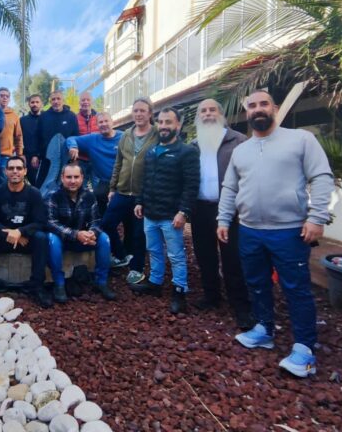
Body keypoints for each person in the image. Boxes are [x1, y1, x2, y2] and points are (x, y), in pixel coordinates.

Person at [217, 90, 334, 377]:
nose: (258, 109)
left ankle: (304, 349)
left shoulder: (300, 139)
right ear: (247, 112)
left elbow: (321, 176)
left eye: (263, 104)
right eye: (252, 106)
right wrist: (223, 219)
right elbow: (230, 187)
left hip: (289, 231)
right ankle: (264, 329)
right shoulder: (241, 150)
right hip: (249, 230)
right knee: (256, 283)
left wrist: (317, 217)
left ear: (275, 108)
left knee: (297, 289)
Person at [190, 98, 253, 330]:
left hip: (229, 209)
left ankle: (241, 305)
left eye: (212, 110)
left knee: (232, 257)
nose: (208, 114)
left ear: (221, 114)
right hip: (200, 208)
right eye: (203, 111)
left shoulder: (238, 141)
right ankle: (211, 296)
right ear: (198, 117)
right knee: (204, 254)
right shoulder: (194, 145)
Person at [133, 108, 199, 314]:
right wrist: (139, 202)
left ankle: (180, 291)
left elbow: (191, 185)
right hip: (150, 214)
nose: (163, 126)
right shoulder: (152, 152)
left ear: (178, 125)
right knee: (153, 250)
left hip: (171, 216)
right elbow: (145, 180)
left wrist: (183, 212)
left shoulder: (187, 152)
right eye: (160, 122)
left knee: (176, 255)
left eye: (168, 122)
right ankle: (155, 283)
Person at [0, 156, 52, 308]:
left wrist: (20, 232)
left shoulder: (34, 193)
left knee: (41, 237)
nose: (15, 171)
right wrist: (10, 233)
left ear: (25, 171)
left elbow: (41, 221)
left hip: (25, 241)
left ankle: (37, 285)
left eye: (19, 168)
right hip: (3, 240)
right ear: (5, 171)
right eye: (11, 168)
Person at [103, 97, 157, 281]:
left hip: (144, 193)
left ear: (150, 113)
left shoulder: (157, 134)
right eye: (136, 111)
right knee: (107, 223)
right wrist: (112, 188)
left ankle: (137, 269)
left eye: (142, 110)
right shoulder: (126, 134)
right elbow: (118, 162)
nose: (138, 114)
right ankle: (121, 256)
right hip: (122, 191)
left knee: (138, 233)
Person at [46, 163, 116, 304]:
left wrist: (92, 233)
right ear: (62, 178)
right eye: (69, 177)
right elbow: (51, 223)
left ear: (82, 178)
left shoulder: (89, 196)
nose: (72, 181)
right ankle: (59, 284)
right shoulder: (53, 196)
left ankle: (101, 281)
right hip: (63, 239)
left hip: (83, 239)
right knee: (51, 239)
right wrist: (76, 234)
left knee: (104, 239)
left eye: (76, 177)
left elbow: (96, 220)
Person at [66, 112, 120, 215]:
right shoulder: (92, 139)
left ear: (112, 122)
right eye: (100, 122)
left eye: (106, 121)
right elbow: (71, 139)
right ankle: (102, 222)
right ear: (97, 125)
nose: (103, 124)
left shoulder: (124, 137)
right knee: (97, 196)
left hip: (124, 182)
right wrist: (73, 146)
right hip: (106, 181)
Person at [33, 90, 78, 187]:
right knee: (42, 185)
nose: (56, 101)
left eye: (58, 99)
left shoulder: (71, 116)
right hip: (47, 159)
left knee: (64, 185)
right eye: (53, 99)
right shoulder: (43, 117)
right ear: (50, 102)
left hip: (66, 158)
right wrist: (36, 155)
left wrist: (74, 151)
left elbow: (75, 136)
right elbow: (37, 137)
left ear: (63, 100)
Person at [0, 87, 24, 185]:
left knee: (4, 182)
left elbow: (18, 136)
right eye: (2, 96)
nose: (4, 98)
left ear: (9, 99)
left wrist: (20, 154)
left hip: (6, 155)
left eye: (7, 96)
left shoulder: (14, 116)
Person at [75, 92, 99, 186]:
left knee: (97, 186)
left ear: (92, 101)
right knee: (80, 186)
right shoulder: (74, 118)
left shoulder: (99, 118)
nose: (85, 102)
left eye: (88, 100)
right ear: (79, 102)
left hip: (96, 159)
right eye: (83, 100)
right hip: (81, 160)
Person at [20, 94, 43, 185]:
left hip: (43, 157)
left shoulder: (46, 119)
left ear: (41, 103)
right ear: (29, 104)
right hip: (27, 158)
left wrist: (37, 155)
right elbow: (19, 138)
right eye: (32, 102)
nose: (35, 104)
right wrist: (21, 154)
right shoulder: (22, 120)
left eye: (37, 102)